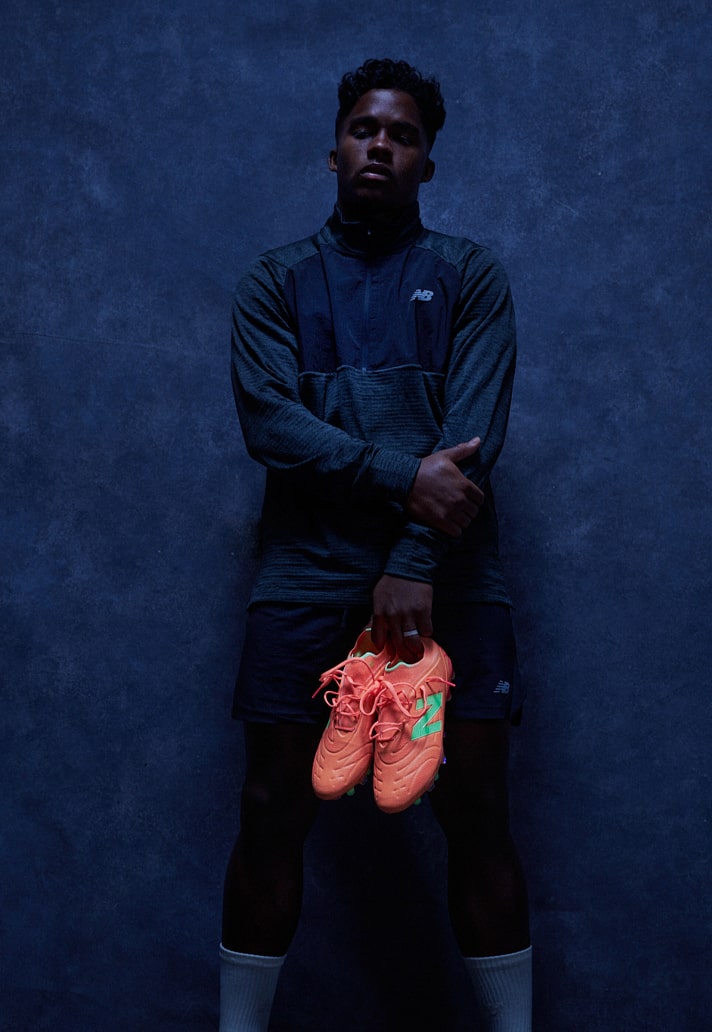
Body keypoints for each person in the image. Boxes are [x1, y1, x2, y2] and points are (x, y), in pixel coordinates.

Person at [220, 58, 531, 1031]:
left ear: (427, 163)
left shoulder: (470, 276)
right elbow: (272, 426)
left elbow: (470, 445)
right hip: (306, 578)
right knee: (272, 807)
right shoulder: (275, 282)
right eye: (364, 129)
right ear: (334, 150)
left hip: (449, 585)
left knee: (475, 808)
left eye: (401, 135)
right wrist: (401, 475)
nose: (380, 146)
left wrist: (410, 564)